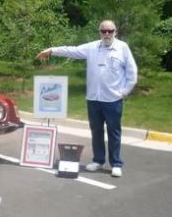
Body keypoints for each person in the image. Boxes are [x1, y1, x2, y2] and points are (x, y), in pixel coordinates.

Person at [36, 20, 138, 177]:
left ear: (115, 32)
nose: (107, 34)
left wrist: (124, 91)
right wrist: (51, 50)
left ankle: (116, 163)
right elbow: (72, 50)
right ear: (99, 32)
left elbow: (132, 72)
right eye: (103, 31)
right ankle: (98, 161)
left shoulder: (122, 48)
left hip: (112, 100)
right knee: (96, 131)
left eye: (110, 31)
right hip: (93, 99)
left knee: (114, 132)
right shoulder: (91, 47)